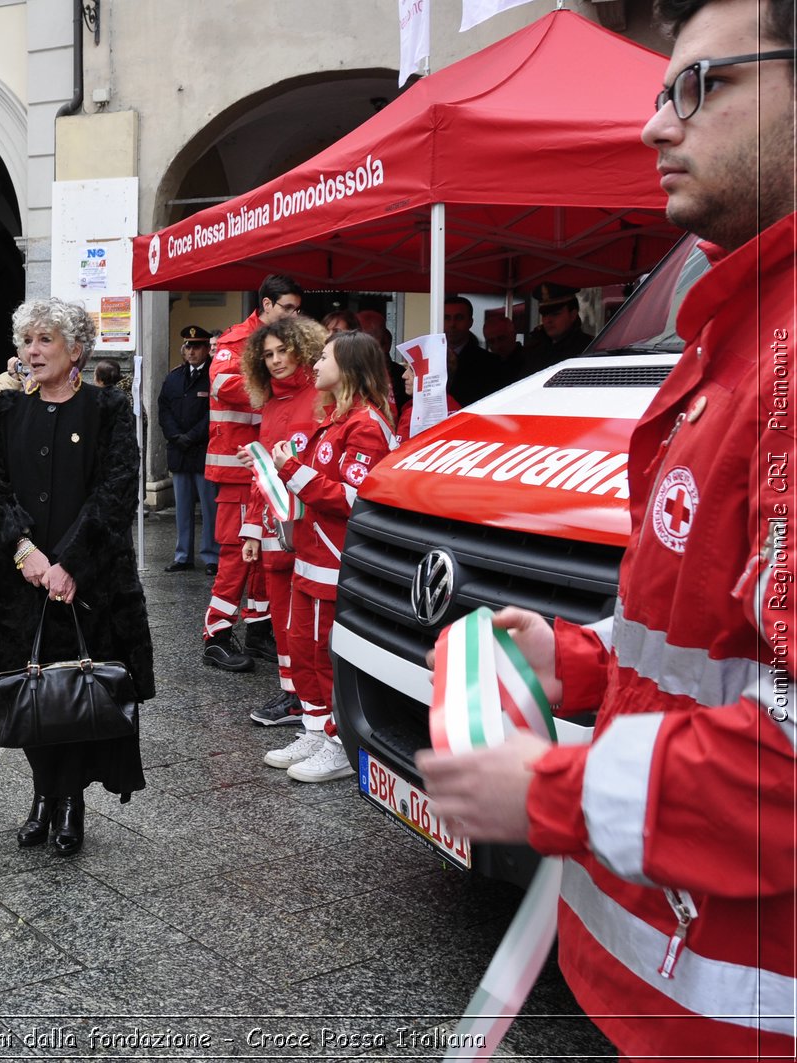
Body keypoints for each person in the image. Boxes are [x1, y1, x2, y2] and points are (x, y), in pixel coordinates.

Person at [420, 1, 795, 1056]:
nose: (653, 126)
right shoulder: (735, 330)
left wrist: (546, 788)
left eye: (703, 85)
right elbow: (715, 645)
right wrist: (578, 660)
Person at [0, 297, 154, 855]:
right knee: (29, 692)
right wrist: (26, 552)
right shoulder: (6, 411)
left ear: (76, 350)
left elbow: (117, 490)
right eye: (28, 341)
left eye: (46, 340)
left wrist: (69, 562)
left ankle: (69, 800)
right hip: (17, 584)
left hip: (90, 584)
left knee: (76, 693)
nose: (33, 351)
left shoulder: (109, 408)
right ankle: (42, 794)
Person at [266, 330, 398, 782]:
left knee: (323, 653)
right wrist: (273, 470)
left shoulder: (365, 424)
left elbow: (355, 497)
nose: (315, 364)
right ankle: (315, 728)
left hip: (335, 561)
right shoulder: (337, 420)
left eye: (325, 357)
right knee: (303, 649)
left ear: (351, 367)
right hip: (310, 556)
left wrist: (291, 470)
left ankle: (339, 740)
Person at [202, 274, 303, 672]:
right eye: (287, 308)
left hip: (268, 470)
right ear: (265, 305)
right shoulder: (235, 341)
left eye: (298, 309)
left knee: (267, 556)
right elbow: (224, 384)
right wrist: (283, 387)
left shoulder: (280, 344)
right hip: (237, 469)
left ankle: (259, 629)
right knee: (235, 555)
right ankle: (217, 634)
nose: (294, 316)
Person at [237, 316, 329, 727]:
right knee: (280, 616)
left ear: (302, 349)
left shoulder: (324, 396)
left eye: (281, 351)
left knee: (307, 620)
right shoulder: (270, 404)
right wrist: (253, 530)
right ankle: (292, 693)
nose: (275, 361)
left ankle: (312, 699)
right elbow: (266, 475)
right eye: (267, 355)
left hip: (314, 526)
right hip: (276, 525)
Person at [157, 325, 219, 575]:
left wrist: (192, 436)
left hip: (203, 449)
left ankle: (211, 555)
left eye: (197, 346)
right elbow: (164, 409)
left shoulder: (214, 375)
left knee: (209, 507)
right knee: (182, 508)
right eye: (188, 346)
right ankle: (183, 555)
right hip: (180, 450)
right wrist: (174, 435)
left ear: (206, 349)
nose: (191, 351)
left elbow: (213, 412)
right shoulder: (174, 377)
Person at [523, 282, 593, 372]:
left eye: (555, 314)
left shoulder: (587, 349)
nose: (548, 320)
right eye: (544, 315)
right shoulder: (534, 350)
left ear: (573, 315)